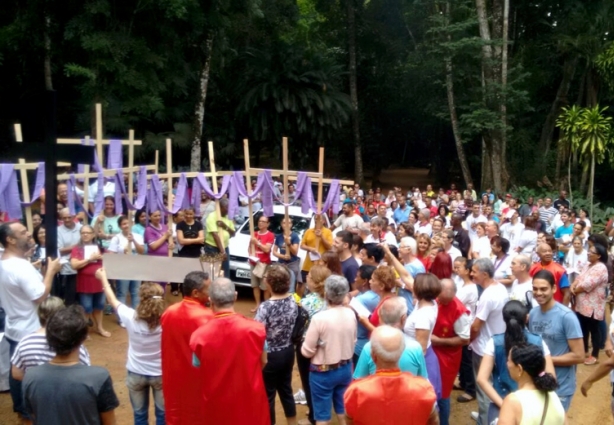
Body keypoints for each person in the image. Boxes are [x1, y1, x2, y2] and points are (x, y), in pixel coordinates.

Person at [0, 222, 62, 420]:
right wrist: (51, 271)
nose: (29, 234)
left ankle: (22, 408)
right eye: (23, 232)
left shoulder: (4, 262)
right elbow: (39, 296)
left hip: (14, 327)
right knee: (32, 373)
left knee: (16, 369)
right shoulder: (21, 267)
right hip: (30, 329)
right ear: (10, 240)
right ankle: (30, 411)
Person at [190, 277, 268, 425]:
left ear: (210, 300)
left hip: (216, 401)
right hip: (249, 398)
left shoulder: (199, 336)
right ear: (235, 296)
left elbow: (198, 366)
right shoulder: (256, 329)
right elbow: (264, 361)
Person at [22, 305, 119, 424]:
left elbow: (32, 417)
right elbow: (109, 422)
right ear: (83, 338)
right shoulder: (99, 377)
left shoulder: (31, 376)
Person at [97, 268, 165, 424]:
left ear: (141, 299)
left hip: (136, 373)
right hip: (160, 373)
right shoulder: (167, 320)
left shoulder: (129, 316)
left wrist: (103, 279)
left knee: (139, 415)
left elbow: (113, 300)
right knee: (162, 416)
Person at [476, 300, 554, 423]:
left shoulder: (494, 342)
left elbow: (481, 378)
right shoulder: (539, 342)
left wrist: (503, 405)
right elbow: (551, 375)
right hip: (533, 402)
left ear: (504, 319)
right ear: (526, 318)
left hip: (501, 400)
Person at [344, 326, 438, 425]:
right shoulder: (423, 389)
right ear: (400, 353)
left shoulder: (356, 391)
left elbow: (349, 421)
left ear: (373, 356)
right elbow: (433, 421)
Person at [301, 275, 356, 425]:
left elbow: (306, 351)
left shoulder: (319, 318)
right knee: (342, 407)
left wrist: (318, 346)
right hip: (345, 368)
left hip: (322, 373)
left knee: (322, 416)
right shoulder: (351, 313)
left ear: (326, 294)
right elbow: (354, 340)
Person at [161, 271, 213, 425]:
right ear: (195, 292)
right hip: (197, 380)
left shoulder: (168, 312)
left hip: (172, 378)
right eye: (208, 289)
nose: (211, 293)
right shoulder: (208, 317)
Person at [528, 269, 583, 412]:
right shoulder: (533, 313)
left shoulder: (567, 316)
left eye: (543, 289)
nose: (538, 293)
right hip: (537, 385)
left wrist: (546, 360)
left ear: (553, 289)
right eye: (535, 289)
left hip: (560, 388)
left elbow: (579, 355)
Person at [254, 265, 298, 425]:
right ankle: (292, 422)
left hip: (270, 355)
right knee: (286, 390)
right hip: (287, 351)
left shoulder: (265, 307)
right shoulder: (293, 300)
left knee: (268, 395)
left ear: (269, 284)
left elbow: (257, 332)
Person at [11, 297, 90, 381]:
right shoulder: (74, 345)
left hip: (36, 391)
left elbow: (16, 373)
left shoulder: (25, 342)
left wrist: (37, 384)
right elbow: (86, 372)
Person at [469, 258, 509, 425]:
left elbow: (476, 326)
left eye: (474, 271)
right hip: (499, 343)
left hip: (484, 348)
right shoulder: (500, 287)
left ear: (484, 274)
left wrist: (469, 340)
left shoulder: (487, 296)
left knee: (484, 389)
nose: (471, 274)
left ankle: (485, 421)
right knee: (495, 386)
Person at [353, 296, 427, 380]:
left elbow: (359, 380)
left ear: (379, 316)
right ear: (403, 319)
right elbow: (423, 380)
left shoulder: (369, 347)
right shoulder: (416, 348)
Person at [431, 278, 470, 425]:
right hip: (432, 351)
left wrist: (439, 341)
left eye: (446, 301)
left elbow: (465, 339)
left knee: (443, 393)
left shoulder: (460, 313)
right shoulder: (435, 299)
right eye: (441, 299)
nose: (442, 303)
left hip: (448, 356)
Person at [296, 265, 331, 425]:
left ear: (315, 281)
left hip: (307, 344)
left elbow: (298, 326)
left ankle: (313, 416)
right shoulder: (332, 299)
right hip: (327, 345)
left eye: (309, 276)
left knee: (308, 380)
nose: (306, 278)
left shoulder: (305, 302)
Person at [497, 344, 565, 425]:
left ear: (519, 369)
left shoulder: (512, 401)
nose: (507, 364)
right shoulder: (553, 396)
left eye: (509, 360)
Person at [403, 273, 443, 400]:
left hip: (421, 361)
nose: (411, 287)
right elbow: (406, 276)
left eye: (414, 286)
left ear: (419, 290)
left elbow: (421, 349)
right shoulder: (429, 302)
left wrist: (414, 373)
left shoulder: (423, 316)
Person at [571, 243, 608, 365]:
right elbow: (579, 278)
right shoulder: (588, 265)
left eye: (591, 252)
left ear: (598, 256)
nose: (588, 253)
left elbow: (588, 284)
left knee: (594, 329)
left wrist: (575, 290)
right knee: (583, 327)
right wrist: (573, 286)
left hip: (593, 304)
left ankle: (595, 355)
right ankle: (585, 350)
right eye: (589, 251)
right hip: (582, 304)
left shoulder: (601, 268)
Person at [107, 215, 145, 315]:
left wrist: (133, 241)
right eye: (124, 224)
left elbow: (141, 251)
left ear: (132, 224)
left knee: (136, 293)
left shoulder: (138, 236)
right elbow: (111, 254)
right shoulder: (116, 238)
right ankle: (121, 317)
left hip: (136, 268)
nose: (126, 225)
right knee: (122, 293)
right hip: (123, 269)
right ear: (120, 226)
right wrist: (121, 251)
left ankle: (136, 315)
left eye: (128, 223)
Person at [352, 265, 380, 363]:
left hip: (359, 347)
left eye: (357, 276)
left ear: (364, 281)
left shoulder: (362, 300)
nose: (355, 279)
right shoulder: (377, 294)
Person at [144, 210, 176, 292]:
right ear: (150, 217)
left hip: (165, 260)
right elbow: (153, 246)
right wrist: (165, 236)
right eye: (155, 216)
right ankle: (154, 304)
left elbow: (170, 241)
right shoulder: (148, 230)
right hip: (154, 262)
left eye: (159, 215)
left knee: (163, 285)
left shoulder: (165, 227)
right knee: (155, 286)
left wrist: (172, 244)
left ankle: (162, 303)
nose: (158, 218)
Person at [204, 198, 236, 278]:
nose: (229, 210)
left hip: (225, 247)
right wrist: (222, 252)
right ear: (220, 207)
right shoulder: (212, 216)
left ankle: (225, 288)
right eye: (227, 208)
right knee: (213, 272)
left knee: (225, 271)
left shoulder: (229, 217)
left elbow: (233, 234)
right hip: (212, 248)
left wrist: (225, 226)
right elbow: (215, 235)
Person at [250, 214, 274, 311]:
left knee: (265, 286)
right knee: (255, 285)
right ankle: (257, 305)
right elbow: (249, 247)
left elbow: (267, 250)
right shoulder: (254, 234)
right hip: (253, 263)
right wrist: (251, 255)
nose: (261, 223)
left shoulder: (270, 235)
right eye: (260, 221)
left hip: (264, 263)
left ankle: (266, 307)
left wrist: (258, 243)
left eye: (263, 221)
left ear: (268, 224)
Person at [300, 214, 333, 282]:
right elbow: (302, 245)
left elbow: (330, 247)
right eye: (315, 218)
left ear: (324, 221)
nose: (316, 220)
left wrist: (322, 236)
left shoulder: (328, 232)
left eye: (319, 219)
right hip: (308, 265)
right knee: (302, 283)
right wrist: (310, 249)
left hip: (321, 266)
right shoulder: (308, 231)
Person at [273, 218, 302, 293]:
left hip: (292, 263)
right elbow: (274, 251)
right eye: (284, 223)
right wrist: (282, 256)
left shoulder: (295, 236)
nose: (286, 225)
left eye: (288, 223)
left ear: (291, 225)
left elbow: (295, 252)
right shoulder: (279, 237)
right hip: (281, 263)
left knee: (295, 283)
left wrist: (289, 243)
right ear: (281, 224)